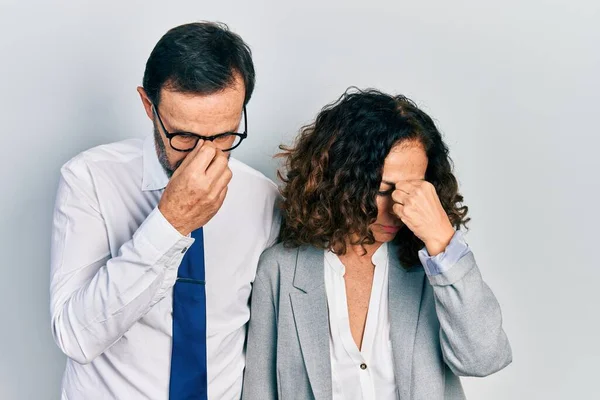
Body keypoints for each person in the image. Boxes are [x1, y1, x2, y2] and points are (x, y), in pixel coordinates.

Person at [50, 22, 280, 399]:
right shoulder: (89, 179)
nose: (205, 155)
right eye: (184, 136)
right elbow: (76, 337)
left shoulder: (263, 197)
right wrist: (170, 223)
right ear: (148, 106)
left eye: (224, 136)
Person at [242, 88, 512, 400]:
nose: (399, 207)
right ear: (342, 181)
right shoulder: (280, 270)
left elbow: (484, 359)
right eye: (383, 190)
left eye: (413, 190)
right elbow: (259, 390)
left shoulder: (433, 266)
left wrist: (442, 239)